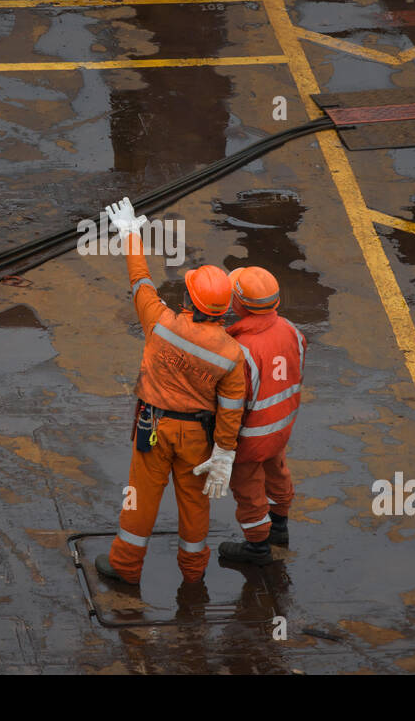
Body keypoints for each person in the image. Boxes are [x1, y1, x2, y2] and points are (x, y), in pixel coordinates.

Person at [95, 198, 246, 585]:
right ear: (225, 308)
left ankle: (126, 566)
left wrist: (130, 232)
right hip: (198, 437)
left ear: (187, 300)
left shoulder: (160, 323)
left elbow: (140, 281)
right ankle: (193, 573)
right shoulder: (231, 353)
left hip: (153, 428)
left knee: (141, 497)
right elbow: (231, 408)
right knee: (194, 503)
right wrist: (224, 454)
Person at [217, 266, 306, 566]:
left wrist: (223, 443)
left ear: (239, 304)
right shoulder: (292, 331)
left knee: (248, 489)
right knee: (277, 472)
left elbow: (234, 402)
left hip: (251, 437)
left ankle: (256, 547)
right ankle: (279, 526)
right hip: (281, 426)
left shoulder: (240, 349)